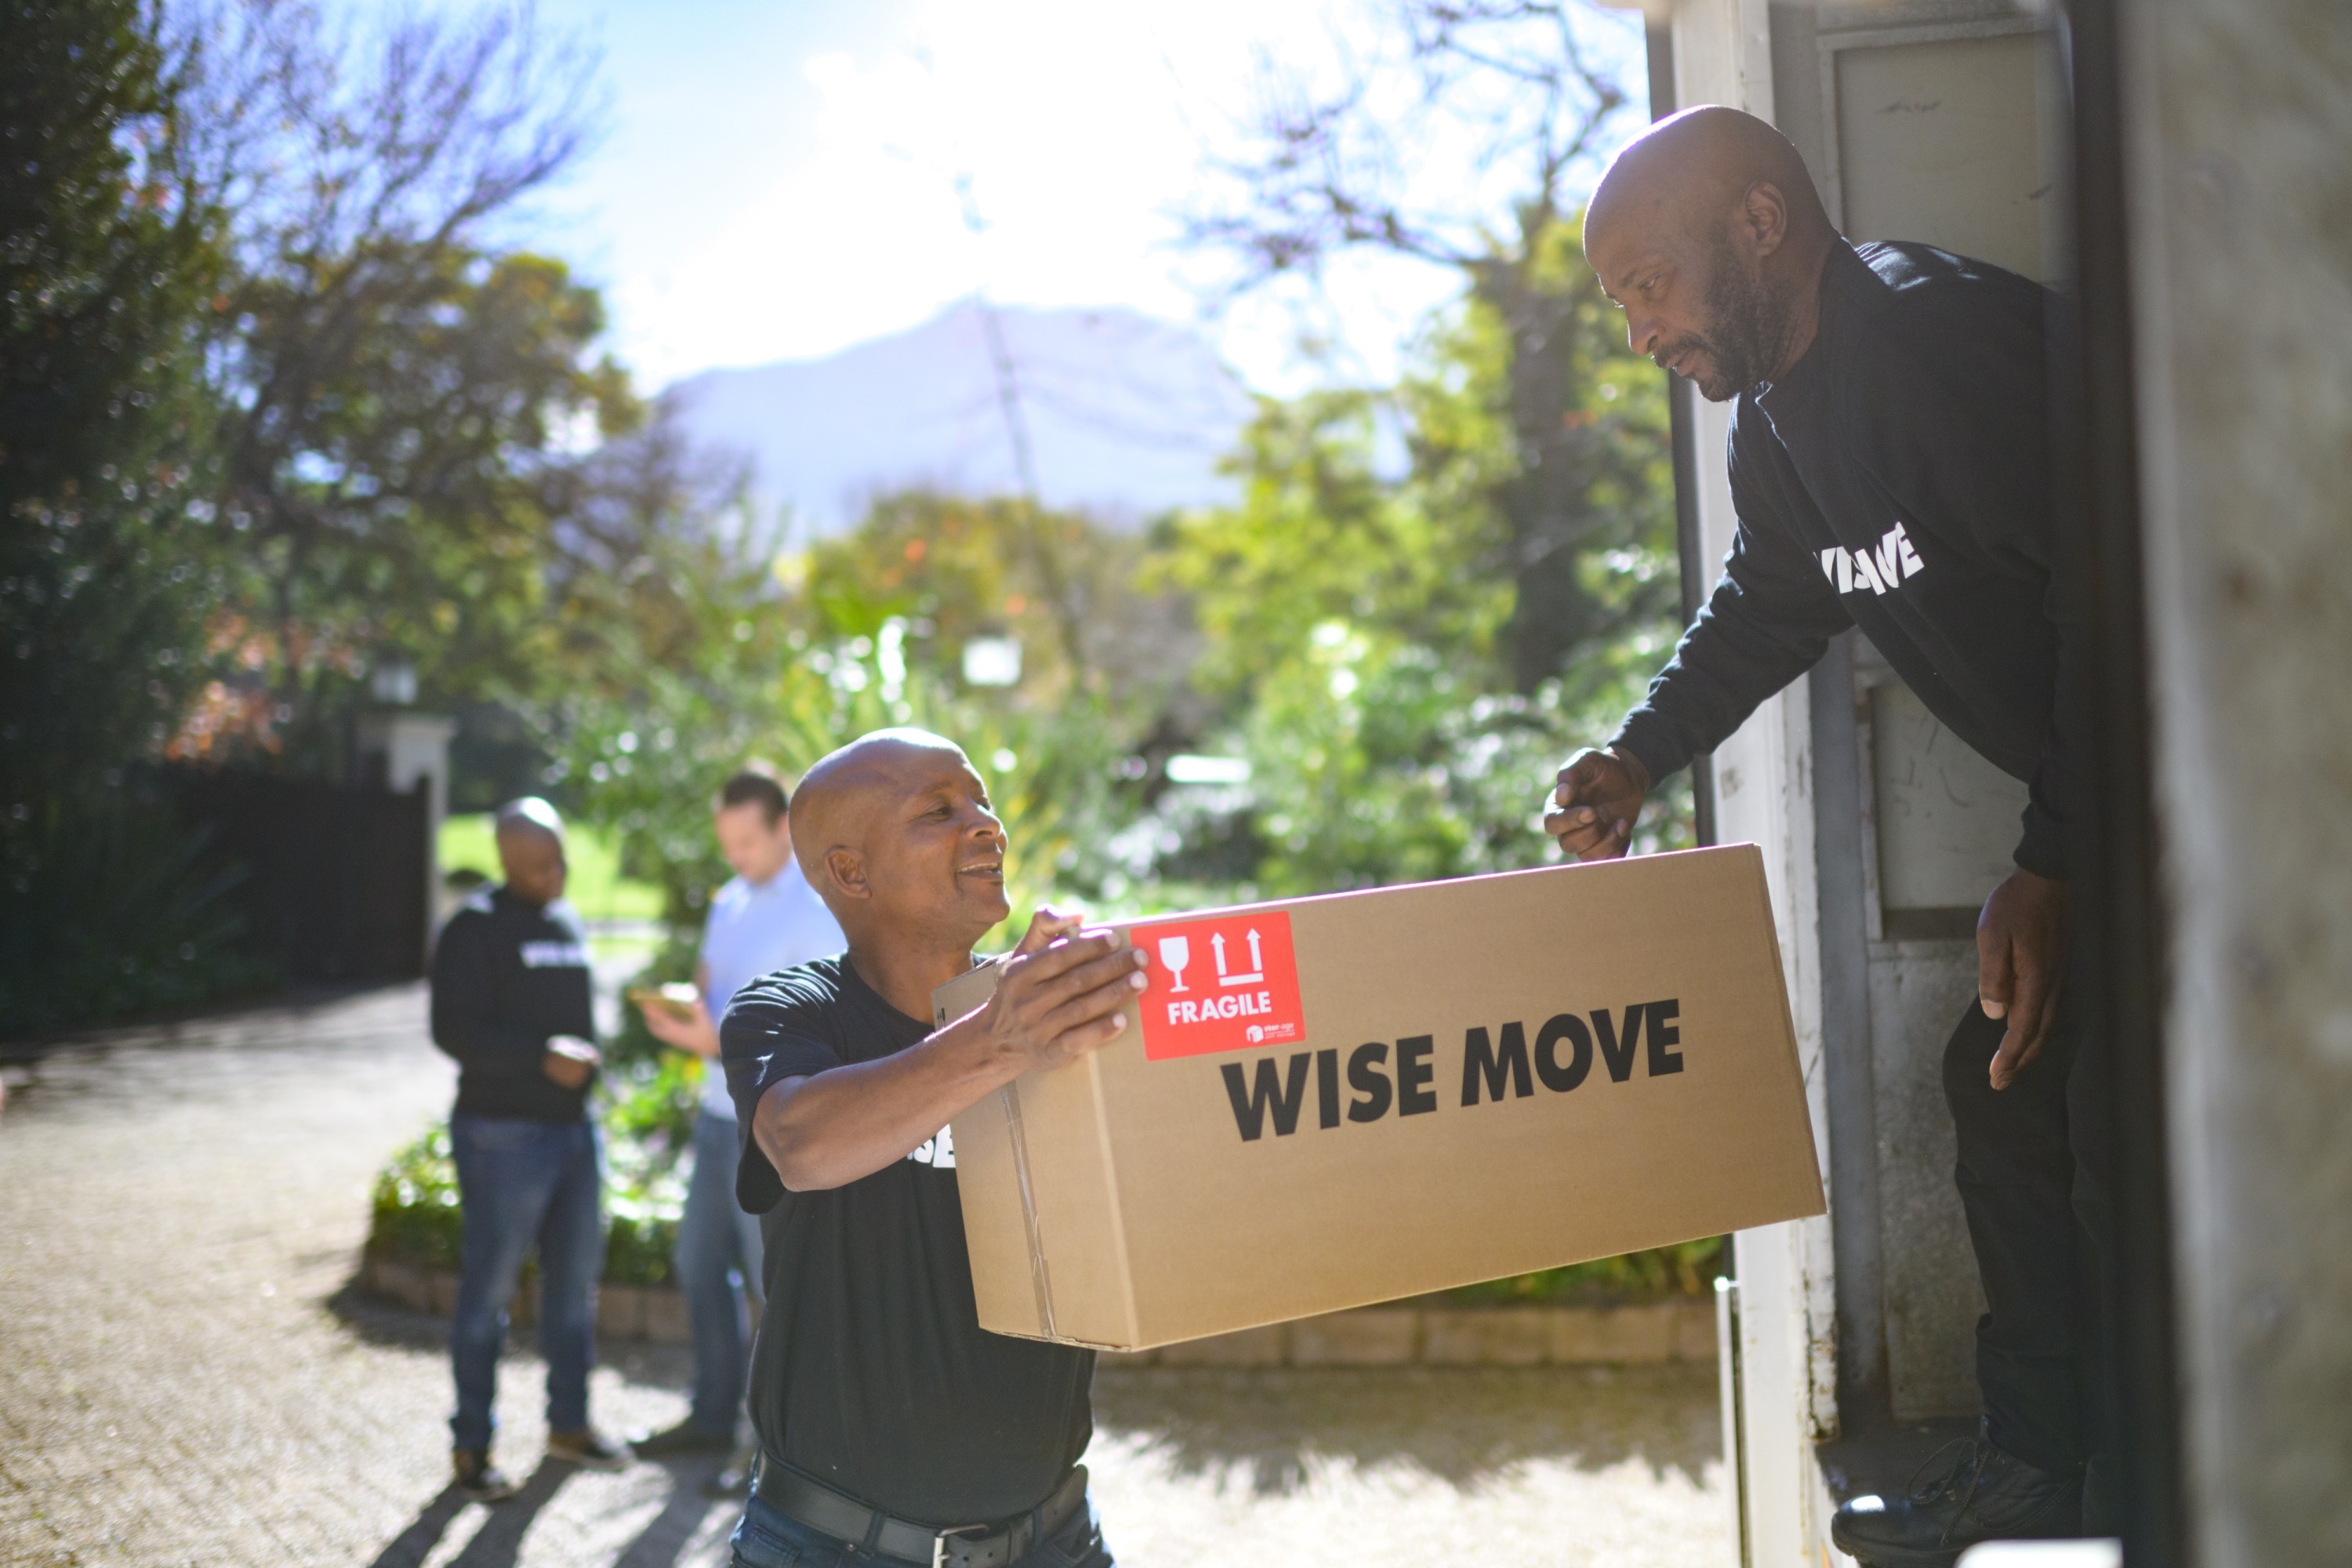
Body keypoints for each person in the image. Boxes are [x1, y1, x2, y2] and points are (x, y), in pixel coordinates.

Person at [1556, 107, 2101, 1563]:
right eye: (1621, 306)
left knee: (2038, 1090)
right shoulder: (1785, 426)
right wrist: (1640, 752)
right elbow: (1772, 602)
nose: (1639, 334)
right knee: (2014, 1087)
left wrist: (2052, 856)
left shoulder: (1937, 351)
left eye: (1647, 285)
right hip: (2116, 802)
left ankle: (2105, 1460)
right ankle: (2069, 1460)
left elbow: (2131, 598)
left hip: (2237, 762)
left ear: (1756, 222)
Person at [718, 729, 1144, 1568]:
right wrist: (1002, 1040)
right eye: (939, 810)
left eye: (982, 801)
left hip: (1056, 1537)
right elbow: (801, 1143)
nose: (986, 824)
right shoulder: (793, 1013)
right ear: (851, 872)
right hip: (834, 1546)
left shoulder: (1052, 1013)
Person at [633, 765, 843, 1477]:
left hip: (772, 1130)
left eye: (746, 842)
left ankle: (773, 1452)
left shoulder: (816, 912)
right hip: (718, 1119)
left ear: (785, 826)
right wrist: (686, 1013)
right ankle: (709, 1417)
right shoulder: (728, 901)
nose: (735, 858)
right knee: (697, 1264)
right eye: (727, 844)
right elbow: (712, 989)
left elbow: (815, 1028)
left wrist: (709, 1037)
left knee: (771, 1287)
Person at [428, 797, 633, 1500]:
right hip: (503, 1136)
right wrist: (540, 1056)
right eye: (542, 865)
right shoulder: (474, 929)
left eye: (561, 858)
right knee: (488, 1290)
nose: (559, 874)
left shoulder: (567, 919)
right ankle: (472, 1447)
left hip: (576, 1132)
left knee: (574, 1286)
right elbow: (452, 1032)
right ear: (509, 863)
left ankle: (569, 1426)